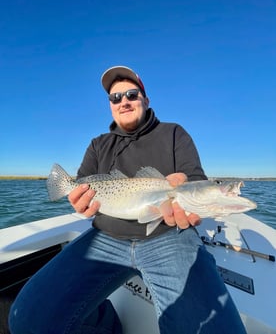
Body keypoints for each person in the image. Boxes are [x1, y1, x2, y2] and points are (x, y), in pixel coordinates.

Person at [9, 66, 246, 334]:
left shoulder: (174, 133)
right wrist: (78, 201)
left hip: (170, 236)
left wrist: (187, 187)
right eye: (115, 98)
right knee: (26, 320)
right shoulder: (98, 144)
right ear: (110, 105)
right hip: (106, 237)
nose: (124, 101)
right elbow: (82, 188)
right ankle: (107, 322)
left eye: (131, 94)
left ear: (145, 99)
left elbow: (193, 179)